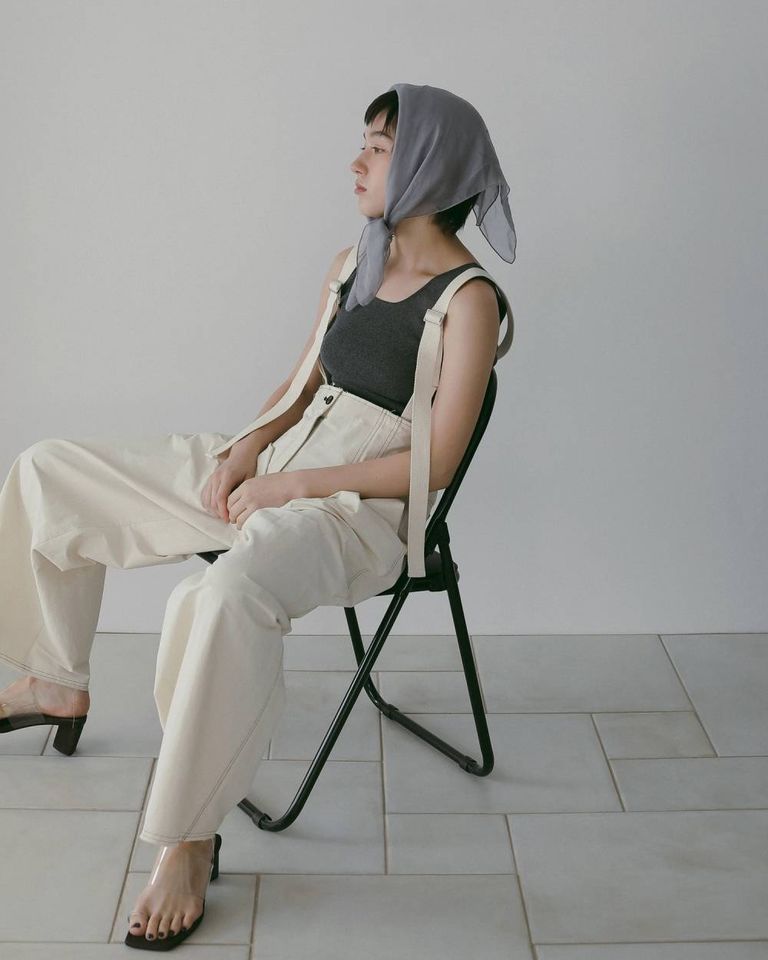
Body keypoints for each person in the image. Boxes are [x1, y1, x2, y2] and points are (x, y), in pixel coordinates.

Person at [0, 83, 515, 950]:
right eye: (363, 144)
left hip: (358, 510)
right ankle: (56, 680)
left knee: (218, 596)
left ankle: (188, 837)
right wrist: (248, 448)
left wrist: (293, 489)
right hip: (279, 461)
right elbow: (302, 384)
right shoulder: (353, 262)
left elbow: (435, 465)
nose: (356, 162)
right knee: (50, 469)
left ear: (431, 165)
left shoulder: (469, 301)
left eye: (379, 147)